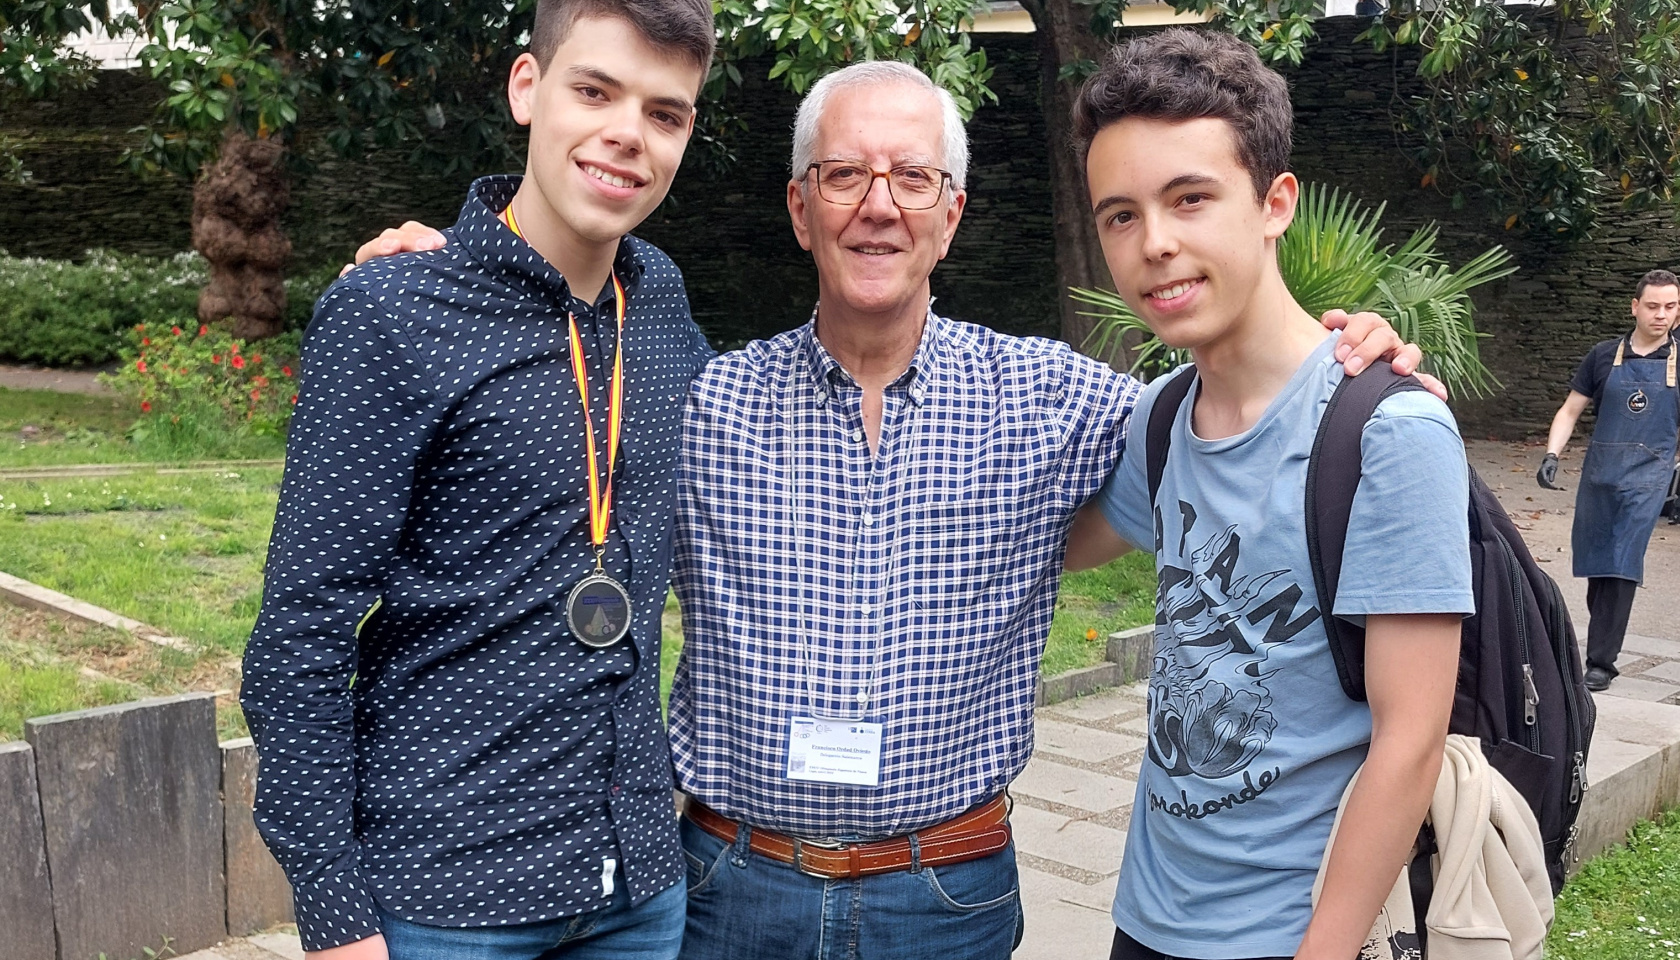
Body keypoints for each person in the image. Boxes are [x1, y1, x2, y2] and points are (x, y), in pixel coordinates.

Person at [351, 62, 1435, 960]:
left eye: (914, 177)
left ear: (952, 213)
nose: (879, 204)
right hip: (733, 888)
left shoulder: (1060, 401)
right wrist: (449, 281)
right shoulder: (697, 399)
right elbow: (552, 391)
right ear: (799, 205)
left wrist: (1363, 359)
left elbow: (1240, 402)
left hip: (945, 897)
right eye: (844, 174)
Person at [241, 3, 717, 959]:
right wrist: (334, 916)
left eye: (664, 113)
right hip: (444, 898)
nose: (627, 133)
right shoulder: (392, 311)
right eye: (594, 90)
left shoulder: (661, 302)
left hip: (637, 888)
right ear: (527, 88)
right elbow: (298, 637)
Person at [1061, 29, 1474, 960]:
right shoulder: (1164, 413)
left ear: (1274, 202)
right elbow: (1061, 542)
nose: (1155, 244)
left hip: (1287, 933)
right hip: (1147, 916)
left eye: (1190, 198)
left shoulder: (1388, 433)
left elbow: (1410, 741)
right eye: (1119, 215)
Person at [1538, 269, 1680, 691]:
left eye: (1670, 306)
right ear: (1635, 307)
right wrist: (1552, 454)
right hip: (1600, 475)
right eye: (1653, 306)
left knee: (1622, 563)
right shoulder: (1602, 356)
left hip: (1648, 479)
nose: (1662, 314)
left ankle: (1601, 663)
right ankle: (1601, 647)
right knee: (1599, 566)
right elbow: (1570, 410)